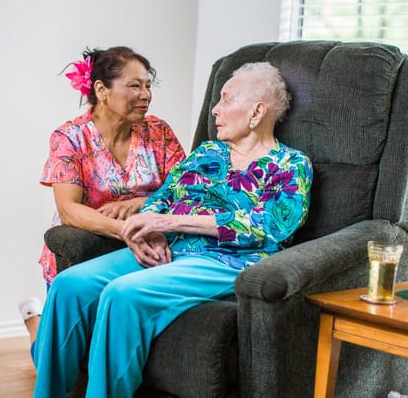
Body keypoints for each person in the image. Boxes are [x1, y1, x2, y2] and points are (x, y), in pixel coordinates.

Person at [32, 62, 313, 398]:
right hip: (170, 248)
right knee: (69, 285)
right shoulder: (208, 152)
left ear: (256, 111)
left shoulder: (291, 165)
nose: (215, 110)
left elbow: (271, 226)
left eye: (225, 100)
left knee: (123, 294)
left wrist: (170, 223)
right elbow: (162, 198)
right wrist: (146, 232)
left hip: (229, 261)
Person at [18, 46, 185, 347]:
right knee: (52, 358)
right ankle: (35, 324)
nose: (146, 94)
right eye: (135, 85)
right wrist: (128, 230)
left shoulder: (159, 132)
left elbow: (186, 189)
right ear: (101, 89)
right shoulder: (69, 137)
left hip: (148, 245)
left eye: (148, 86)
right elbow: (68, 210)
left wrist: (142, 203)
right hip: (95, 243)